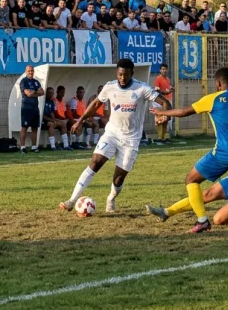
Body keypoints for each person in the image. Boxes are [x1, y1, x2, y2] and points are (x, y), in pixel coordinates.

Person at [149, 67, 228, 232]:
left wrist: (163, 111)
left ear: (218, 83)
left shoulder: (213, 99)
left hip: (225, 151)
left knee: (191, 179)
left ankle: (202, 220)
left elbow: (184, 112)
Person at [59, 59, 171, 214]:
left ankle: (111, 198)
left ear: (132, 73)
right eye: (119, 74)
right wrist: (80, 120)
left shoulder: (142, 88)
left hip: (131, 139)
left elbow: (165, 102)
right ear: (116, 73)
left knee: (119, 177)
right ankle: (72, 200)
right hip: (111, 133)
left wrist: (165, 115)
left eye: (125, 75)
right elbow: (96, 104)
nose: (122, 78)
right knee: (95, 162)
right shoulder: (110, 86)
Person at [42, 87, 71, 151]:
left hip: (50, 119)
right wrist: (52, 120)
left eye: (52, 93)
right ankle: (53, 146)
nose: (51, 94)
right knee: (52, 124)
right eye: (49, 93)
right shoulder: (43, 101)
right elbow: (42, 116)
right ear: (46, 93)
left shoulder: (51, 101)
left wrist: (54, 119)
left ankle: (66, 145)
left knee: (63, 124)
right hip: (43, 121)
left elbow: (52, 112)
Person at [153, 64, 174, 143]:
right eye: (162, 69)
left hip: (167, 102)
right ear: (160, 70)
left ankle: (164, 137)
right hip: (160, 102)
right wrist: (166, 92)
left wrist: (171, 89)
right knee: (159, 119)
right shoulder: (158, 79)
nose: (164, 71)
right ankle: (159, 137)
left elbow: (168, 88)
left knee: (166, 119)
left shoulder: (168, 79)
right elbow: (157, 90)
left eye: (165, 69)